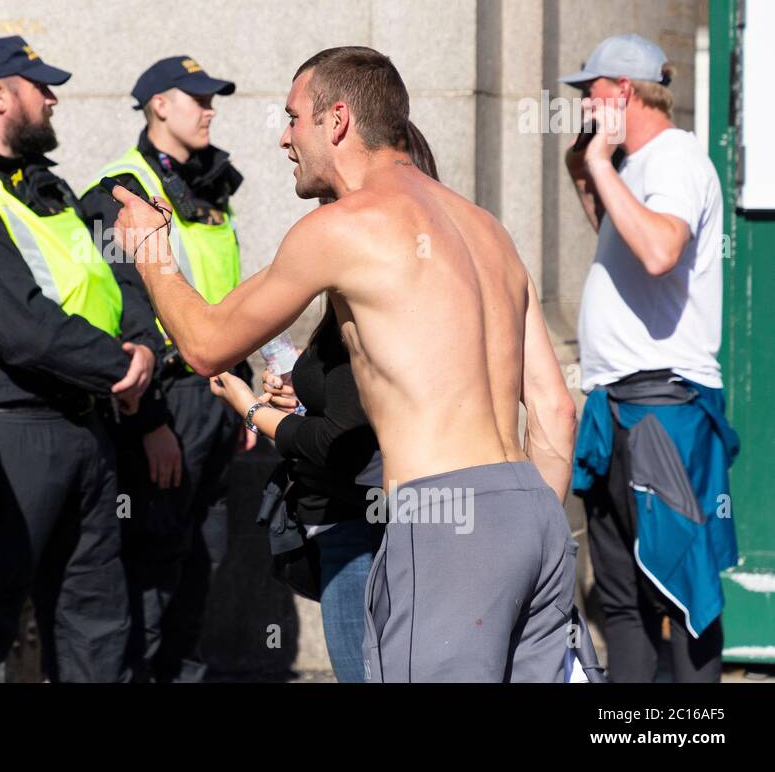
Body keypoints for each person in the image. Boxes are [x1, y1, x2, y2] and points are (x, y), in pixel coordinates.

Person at [113, 46, 578, 682]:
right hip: (532, 512)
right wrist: (526, 533)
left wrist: (151, 254)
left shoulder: (343, 226)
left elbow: (204, 343)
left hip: (442, 518)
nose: (283, 137)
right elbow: (554, 409)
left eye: (292, 117)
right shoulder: (485, 229)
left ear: (336, 121)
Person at [0, 35, 164, 682]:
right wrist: (119, 364)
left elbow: (111, 281)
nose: (53, 98)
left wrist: (142, 349)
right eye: (40, 88)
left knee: (97, 626)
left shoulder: (44, 185)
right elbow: (16, 324)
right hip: (10, 429)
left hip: (88, 424)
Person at [231, 122, 440, 682]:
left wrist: (257, 412)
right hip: (381, 519)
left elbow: (340, 442)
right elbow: (363, 399)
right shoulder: (429, 268)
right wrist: (303, 394)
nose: (283, 137)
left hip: (361, 525)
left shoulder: (372, 284)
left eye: (294, 118)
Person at [561, 32, 738, 683]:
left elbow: (660, 251)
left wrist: (604, 167)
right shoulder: (634, 163)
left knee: (683, 595)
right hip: (617, 407)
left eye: (591, 93)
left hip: (664, 407)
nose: (582, 105)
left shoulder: (675, 159)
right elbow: (626, 251)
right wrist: (592, 171)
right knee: (624, 601)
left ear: (624, 92)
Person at [79, 55, 254, 682]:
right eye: (197, 98)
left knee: (201, 557)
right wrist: (149, 418)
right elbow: (121, 306)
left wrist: (245, 399)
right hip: (163, 400)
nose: (209, 109)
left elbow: (228, 296)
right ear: (159, 105)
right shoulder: (118, 188)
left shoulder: (209, 190)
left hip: (214, 397)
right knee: (151, 562)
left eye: (214, 100)